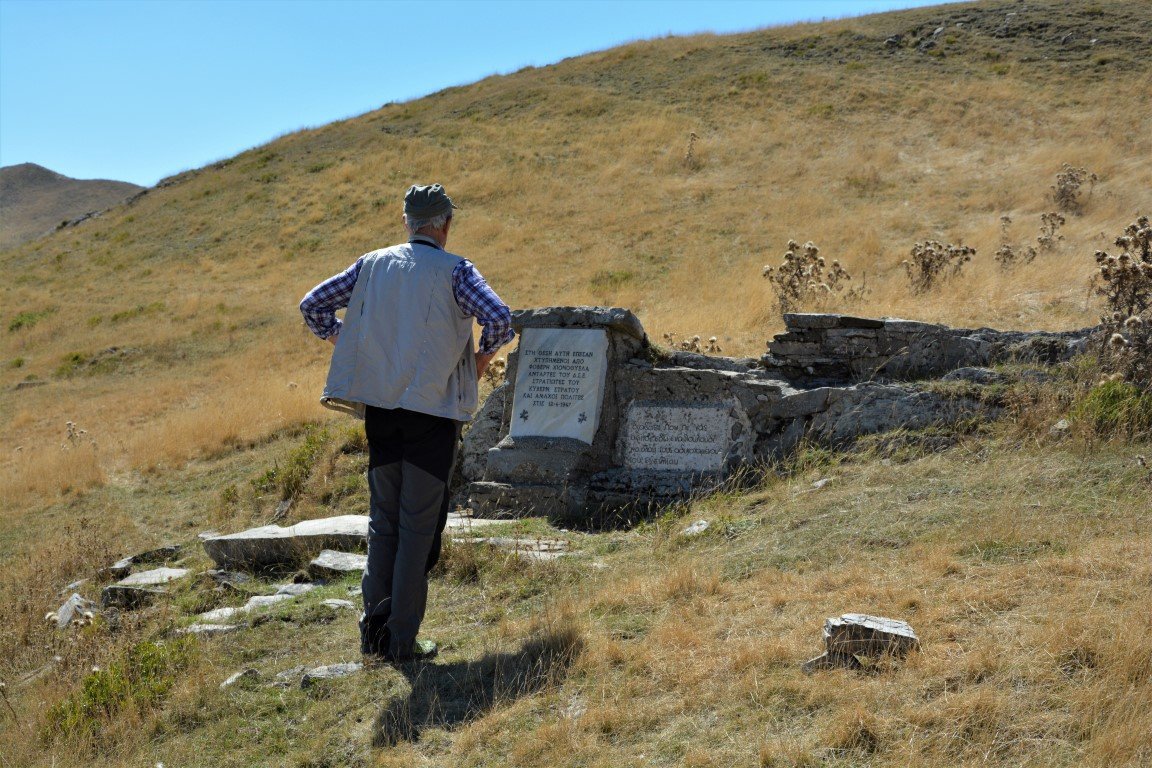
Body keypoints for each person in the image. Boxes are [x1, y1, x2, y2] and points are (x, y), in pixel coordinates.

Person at [299, 183, 513, 662]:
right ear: (446, 224)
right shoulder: (457, 270)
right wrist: (477, 363)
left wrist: (349, 343)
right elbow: (500, 318)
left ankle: (373, 638)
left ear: (406, 222)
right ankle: (401, 641)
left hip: (380, 412)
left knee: (385, 523)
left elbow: (313, 305)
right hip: (431, 415)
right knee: (418, 529)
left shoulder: (371, 264)